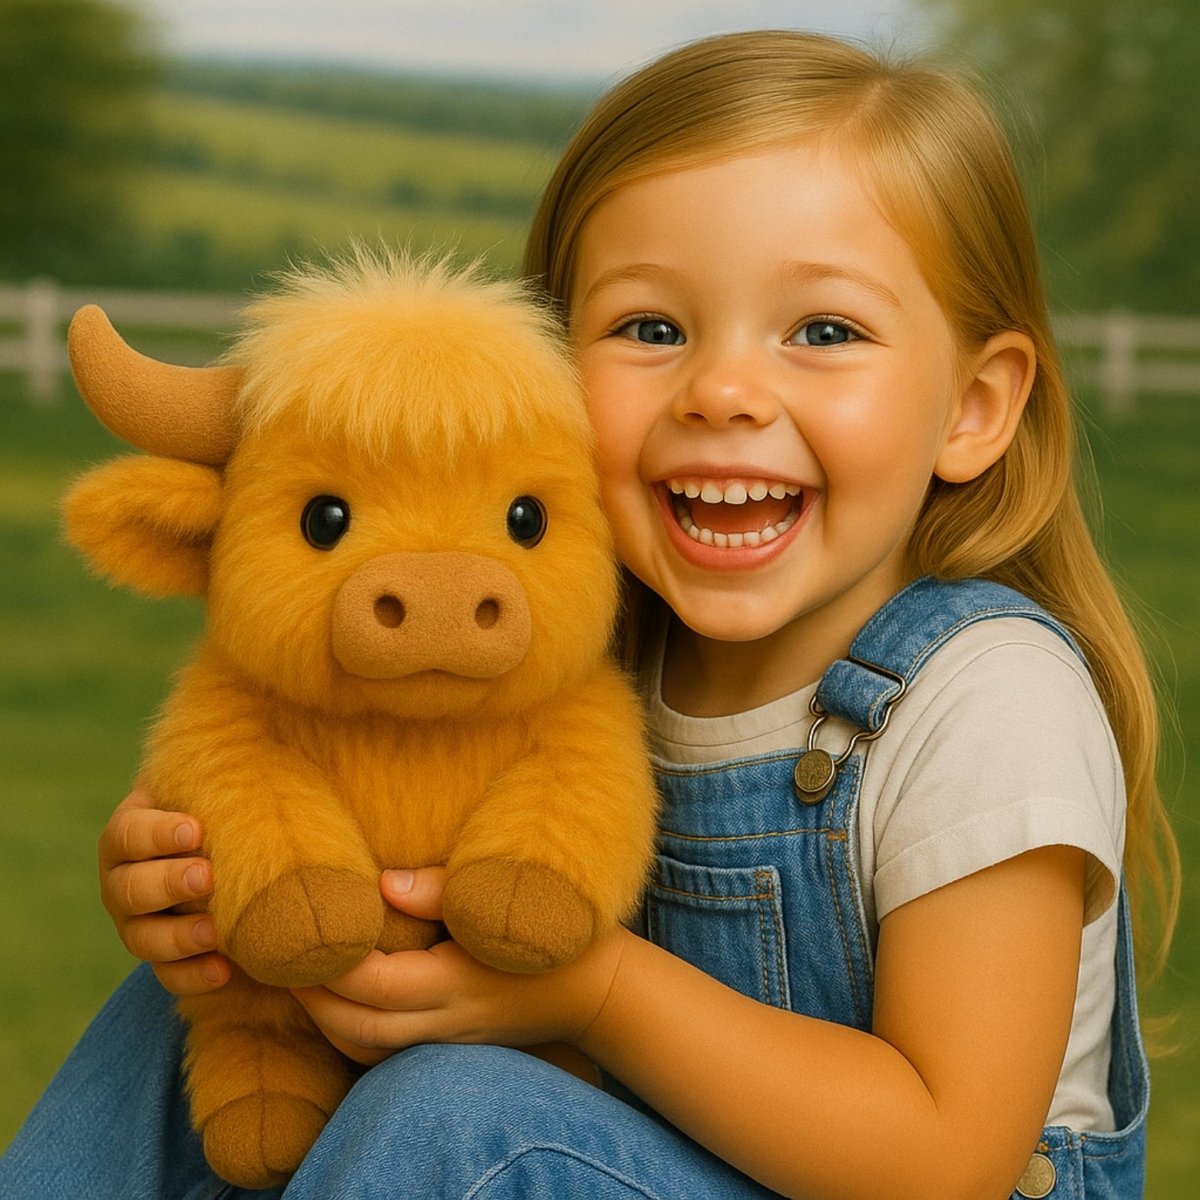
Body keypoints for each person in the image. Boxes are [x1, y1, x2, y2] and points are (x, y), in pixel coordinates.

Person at [1, 29, 1179, 1200]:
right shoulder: (580, 647)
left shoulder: (984, 699)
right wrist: (198, 886)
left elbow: (945, 1158)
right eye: (651, 329)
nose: (722, 392)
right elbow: (344, 791)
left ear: (974, 407)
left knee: (467, 1121)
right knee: (209, 1008)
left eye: (823, 332)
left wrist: (595, 990)